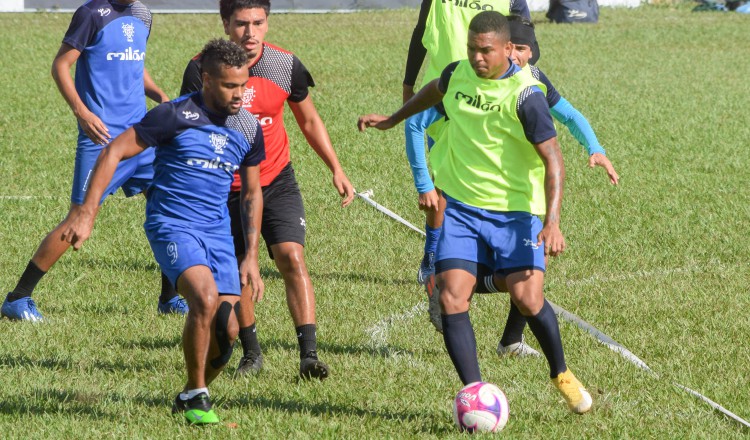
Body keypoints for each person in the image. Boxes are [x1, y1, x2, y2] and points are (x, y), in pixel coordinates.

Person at [358, 11, 592, 414]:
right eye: (472, 49)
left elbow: (554, 160)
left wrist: (552, 222)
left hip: (515, 212)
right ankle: (474, 392)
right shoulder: (457, 74)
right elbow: (433, 90)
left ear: (507, 50)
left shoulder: (526, 94)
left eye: (486, 51)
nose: (478, 57)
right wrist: (392, 119)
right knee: (451, 298)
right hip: (461, 209)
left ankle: (561, 373)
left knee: (527, 297)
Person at [62, 39, 266, 425]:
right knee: (203, 299)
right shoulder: (174, 115)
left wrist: (251, 255)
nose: (239, 94)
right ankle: (198, 397)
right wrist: (87, 212)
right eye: (228, 86)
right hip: (172, 225)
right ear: (206, 79)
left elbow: (252, 193)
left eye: (243, 85)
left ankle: (190, 391)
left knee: (229, 331)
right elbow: (114, 151)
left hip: (218, 234)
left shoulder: (248, 127)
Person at [180, 0, 355, 380]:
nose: (250, 33)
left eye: (259, 22)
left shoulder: (284, 66)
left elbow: (308, 119)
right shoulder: (201, 70)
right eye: (241, 24)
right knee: (239, 271)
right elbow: (188, 131)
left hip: (276, 181)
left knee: (292, 256)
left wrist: (336, 168)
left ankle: (309, 355)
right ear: (225, 24)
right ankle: (251, 352)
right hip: (224, 190)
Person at [421, 14, 620, 342]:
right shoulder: (470, 79)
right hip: (479, 191)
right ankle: (447, 284)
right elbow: (419, 121)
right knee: (521, 274)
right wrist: (423, 179)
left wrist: (594, 147)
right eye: (512, 49)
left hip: (527, 192)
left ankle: (510, 341)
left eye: (523, 49)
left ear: (528, 52)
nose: (515, 56)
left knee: (532, 272)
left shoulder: (534, 81)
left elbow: (569, 115)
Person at [0, 0, 187, 322]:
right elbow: (61, 65)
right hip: (100, 139)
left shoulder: (141, 15)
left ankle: (170, 297)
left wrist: (160, 96)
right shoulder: (90, 14)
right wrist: (82, 112)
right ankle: (18, 298)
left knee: (170, 208)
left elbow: (134, 64)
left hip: (140, 136)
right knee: (79, 217)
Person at [402, 0, 534, 289]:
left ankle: (476, 254)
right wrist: (408, 84)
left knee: (484, 176)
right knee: (444, 180)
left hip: (492, 98)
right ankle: (433, 257)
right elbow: (421, 31)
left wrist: (522, 87)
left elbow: (524, 39)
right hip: (447, 93)